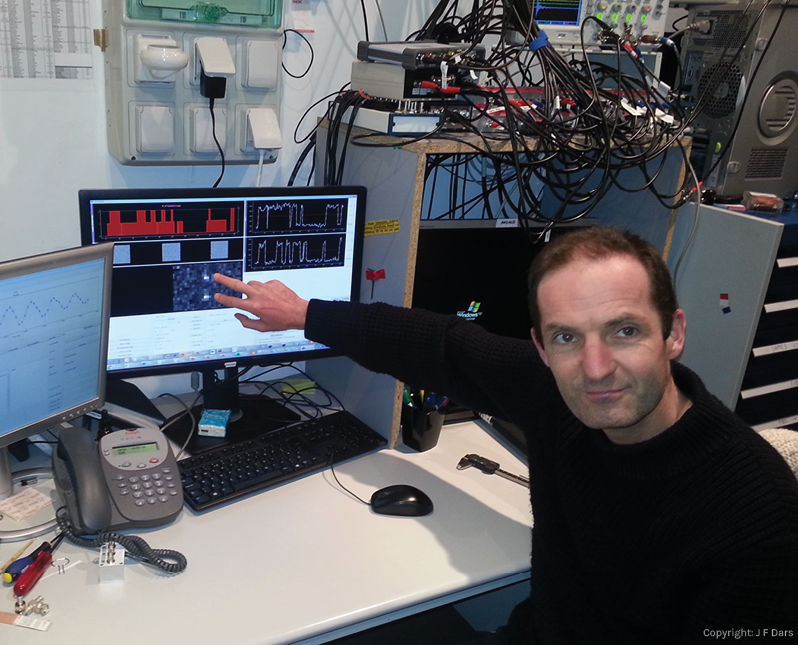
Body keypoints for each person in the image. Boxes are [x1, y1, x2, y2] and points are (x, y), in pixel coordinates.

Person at [213, 226, 798, 644]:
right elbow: (434, 344)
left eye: (624, 331)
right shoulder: (552, 393)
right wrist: (305, 314)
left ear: (674, 334)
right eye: (567, 338)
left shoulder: (759, 517)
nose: (595, 368)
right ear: (541, 349)